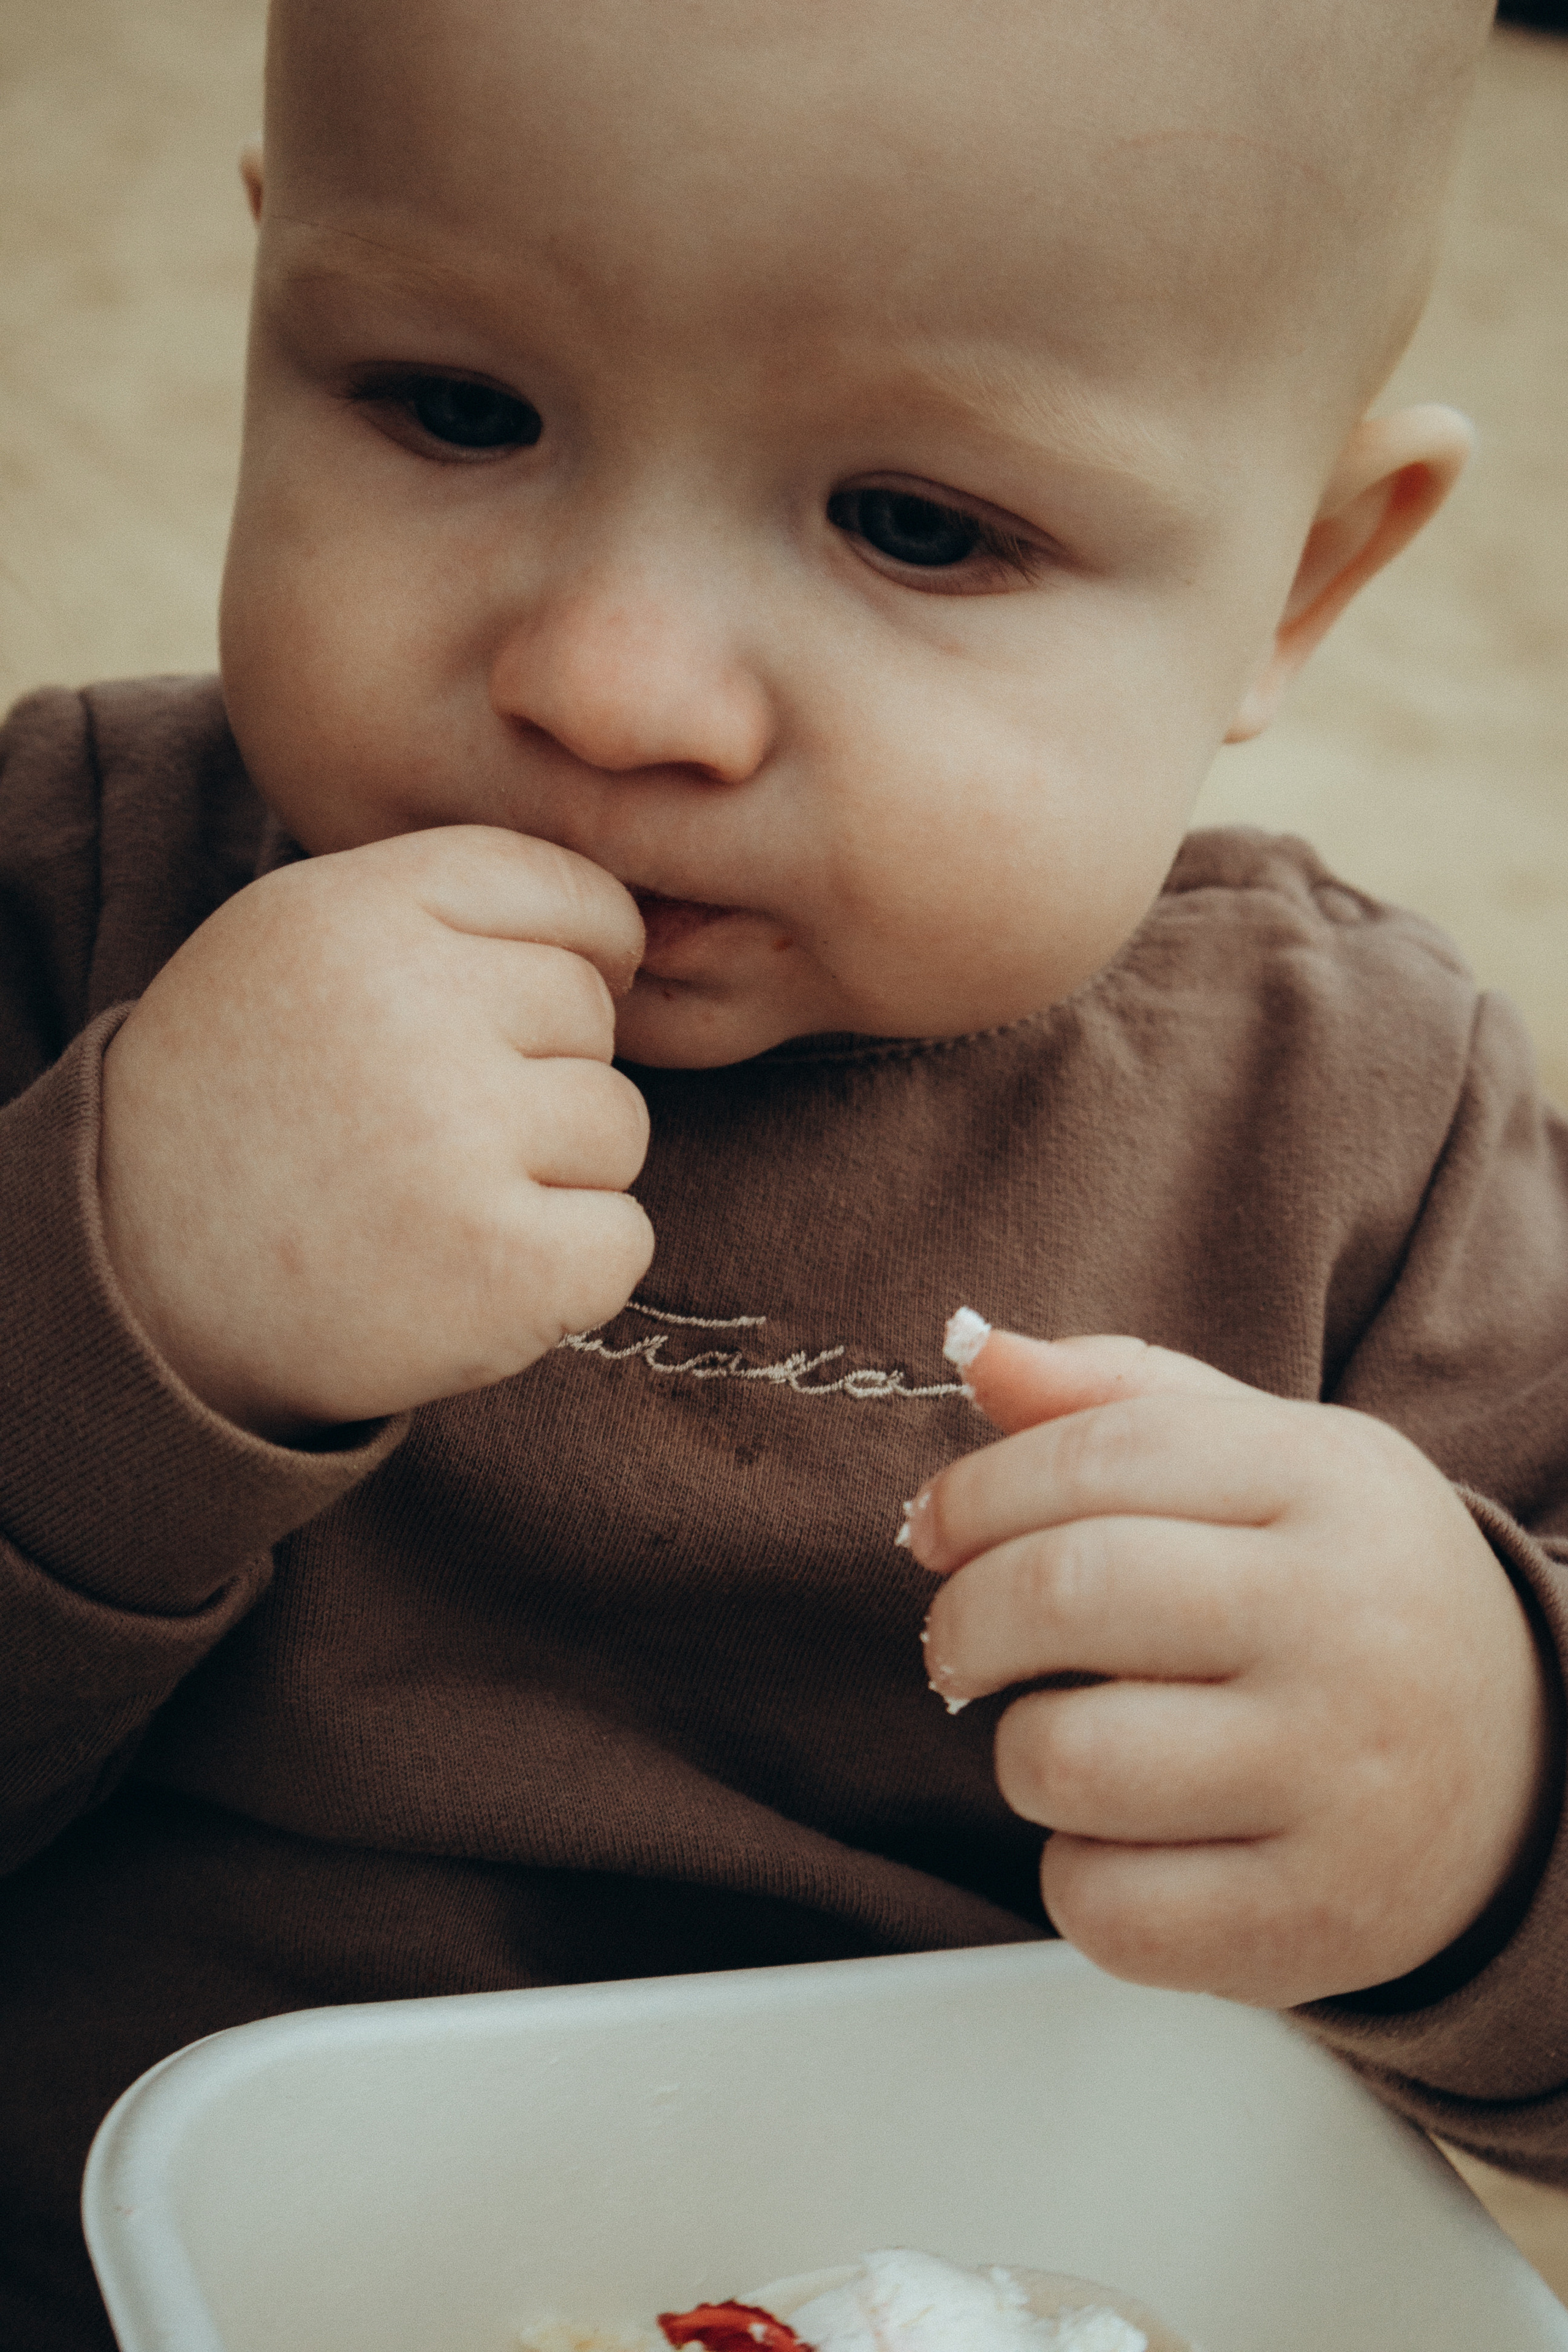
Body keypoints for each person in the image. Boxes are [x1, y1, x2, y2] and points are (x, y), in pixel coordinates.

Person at [4, 0, 1566, 2342]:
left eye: (920, 523)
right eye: (456, 405)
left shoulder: (1359, 1125)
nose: (618, 684)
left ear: (1302, 585)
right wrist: (123, 1294)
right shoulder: (82, 899)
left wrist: (1494, 1798)